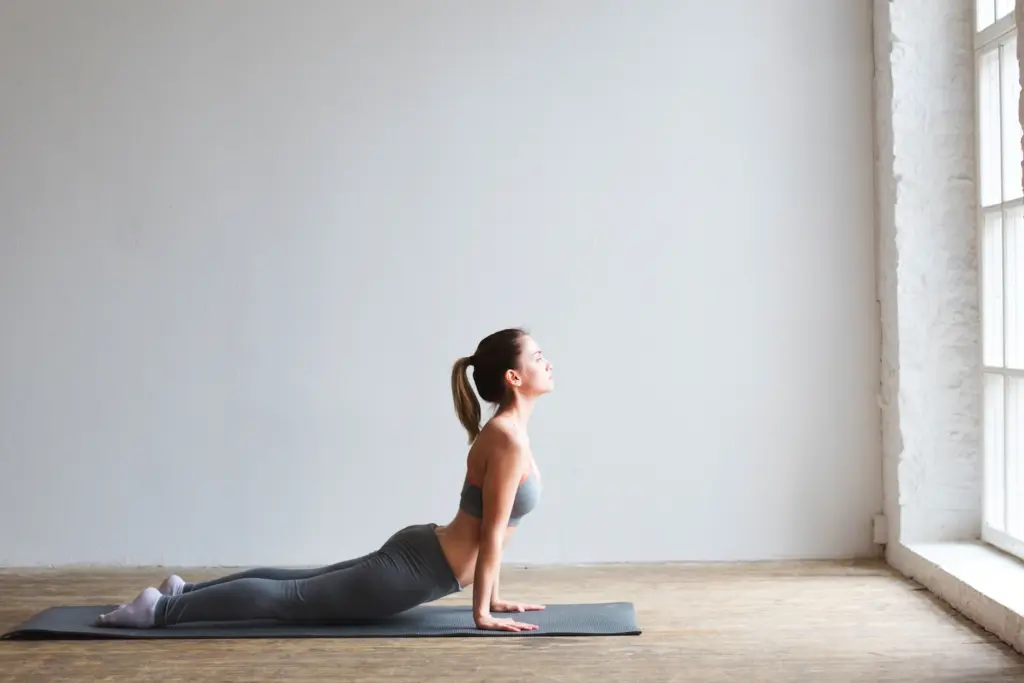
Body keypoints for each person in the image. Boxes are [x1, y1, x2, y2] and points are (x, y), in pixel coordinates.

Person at [95, 327, 554, 633]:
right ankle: (160, 609)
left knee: (299, 583)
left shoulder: (510, 433)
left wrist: (494, 599)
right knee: (293, 597)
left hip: (425, 554)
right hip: (423, 570)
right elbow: (491, 534)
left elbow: (494, 531)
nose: (547, 361)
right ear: (514, 376)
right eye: (538, 356)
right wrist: (481, 613)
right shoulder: (507, 439)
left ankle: (182, 591)